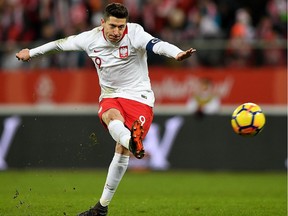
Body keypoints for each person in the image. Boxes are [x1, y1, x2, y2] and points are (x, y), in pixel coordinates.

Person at [16, 3, 196, 216]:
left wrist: (176, 54)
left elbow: (156, 44)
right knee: (111, 116)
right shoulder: (90, 38)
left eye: (121, 27)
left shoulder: (135, 33)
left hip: (139, 98)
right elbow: (59, 45)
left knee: (121, 151)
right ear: (102, 23)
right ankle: (132, 142)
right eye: (113, 26)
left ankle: (102, 205)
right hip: (111, 95)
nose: (117, 32)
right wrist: (31, 52)